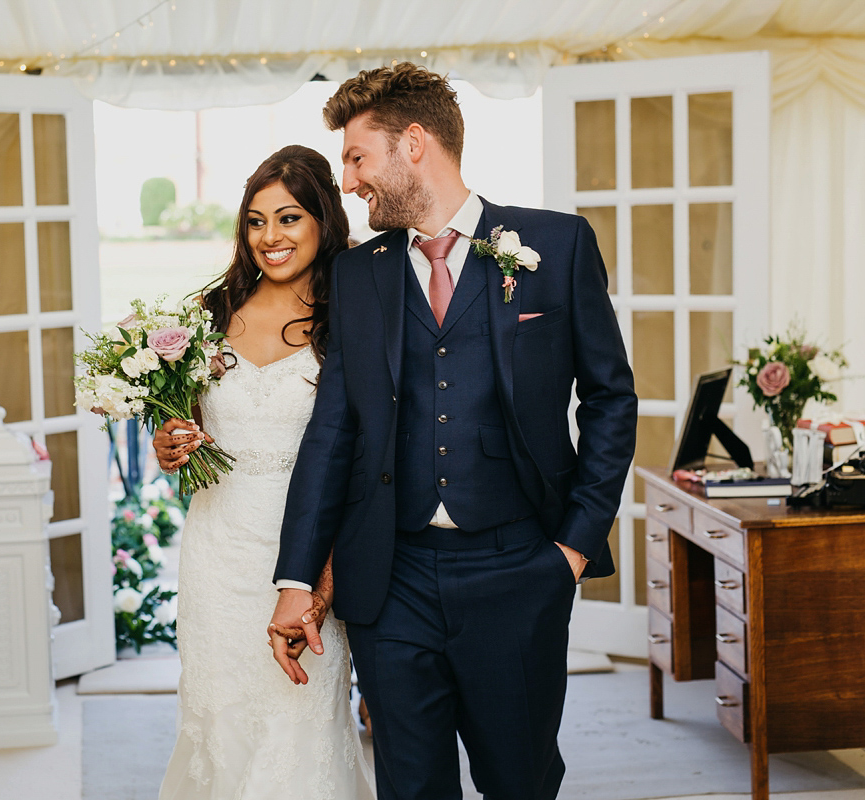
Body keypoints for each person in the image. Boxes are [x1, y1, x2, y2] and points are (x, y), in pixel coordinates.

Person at [269, 64, 637, 800]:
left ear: (413, 143)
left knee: (518, 780)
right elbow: (332, 430)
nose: (348, 181)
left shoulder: (555, 247)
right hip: (393, 577)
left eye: (356, 157)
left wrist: (570, 549)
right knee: (409, 786)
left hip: (517, 568)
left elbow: (610, 399)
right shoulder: (359, 274)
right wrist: (296, 577)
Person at [151, 145, 374, 799]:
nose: (270, 237)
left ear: (323, 220)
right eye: (255, 221)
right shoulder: (208, 314)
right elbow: (183, 430)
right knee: (218, 721)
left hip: (309, 551)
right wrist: (171, 446)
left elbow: (362, 460)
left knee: (298, 729)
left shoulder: (354, 316)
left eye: (288, 218)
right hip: (217, 552)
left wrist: (323, 580)